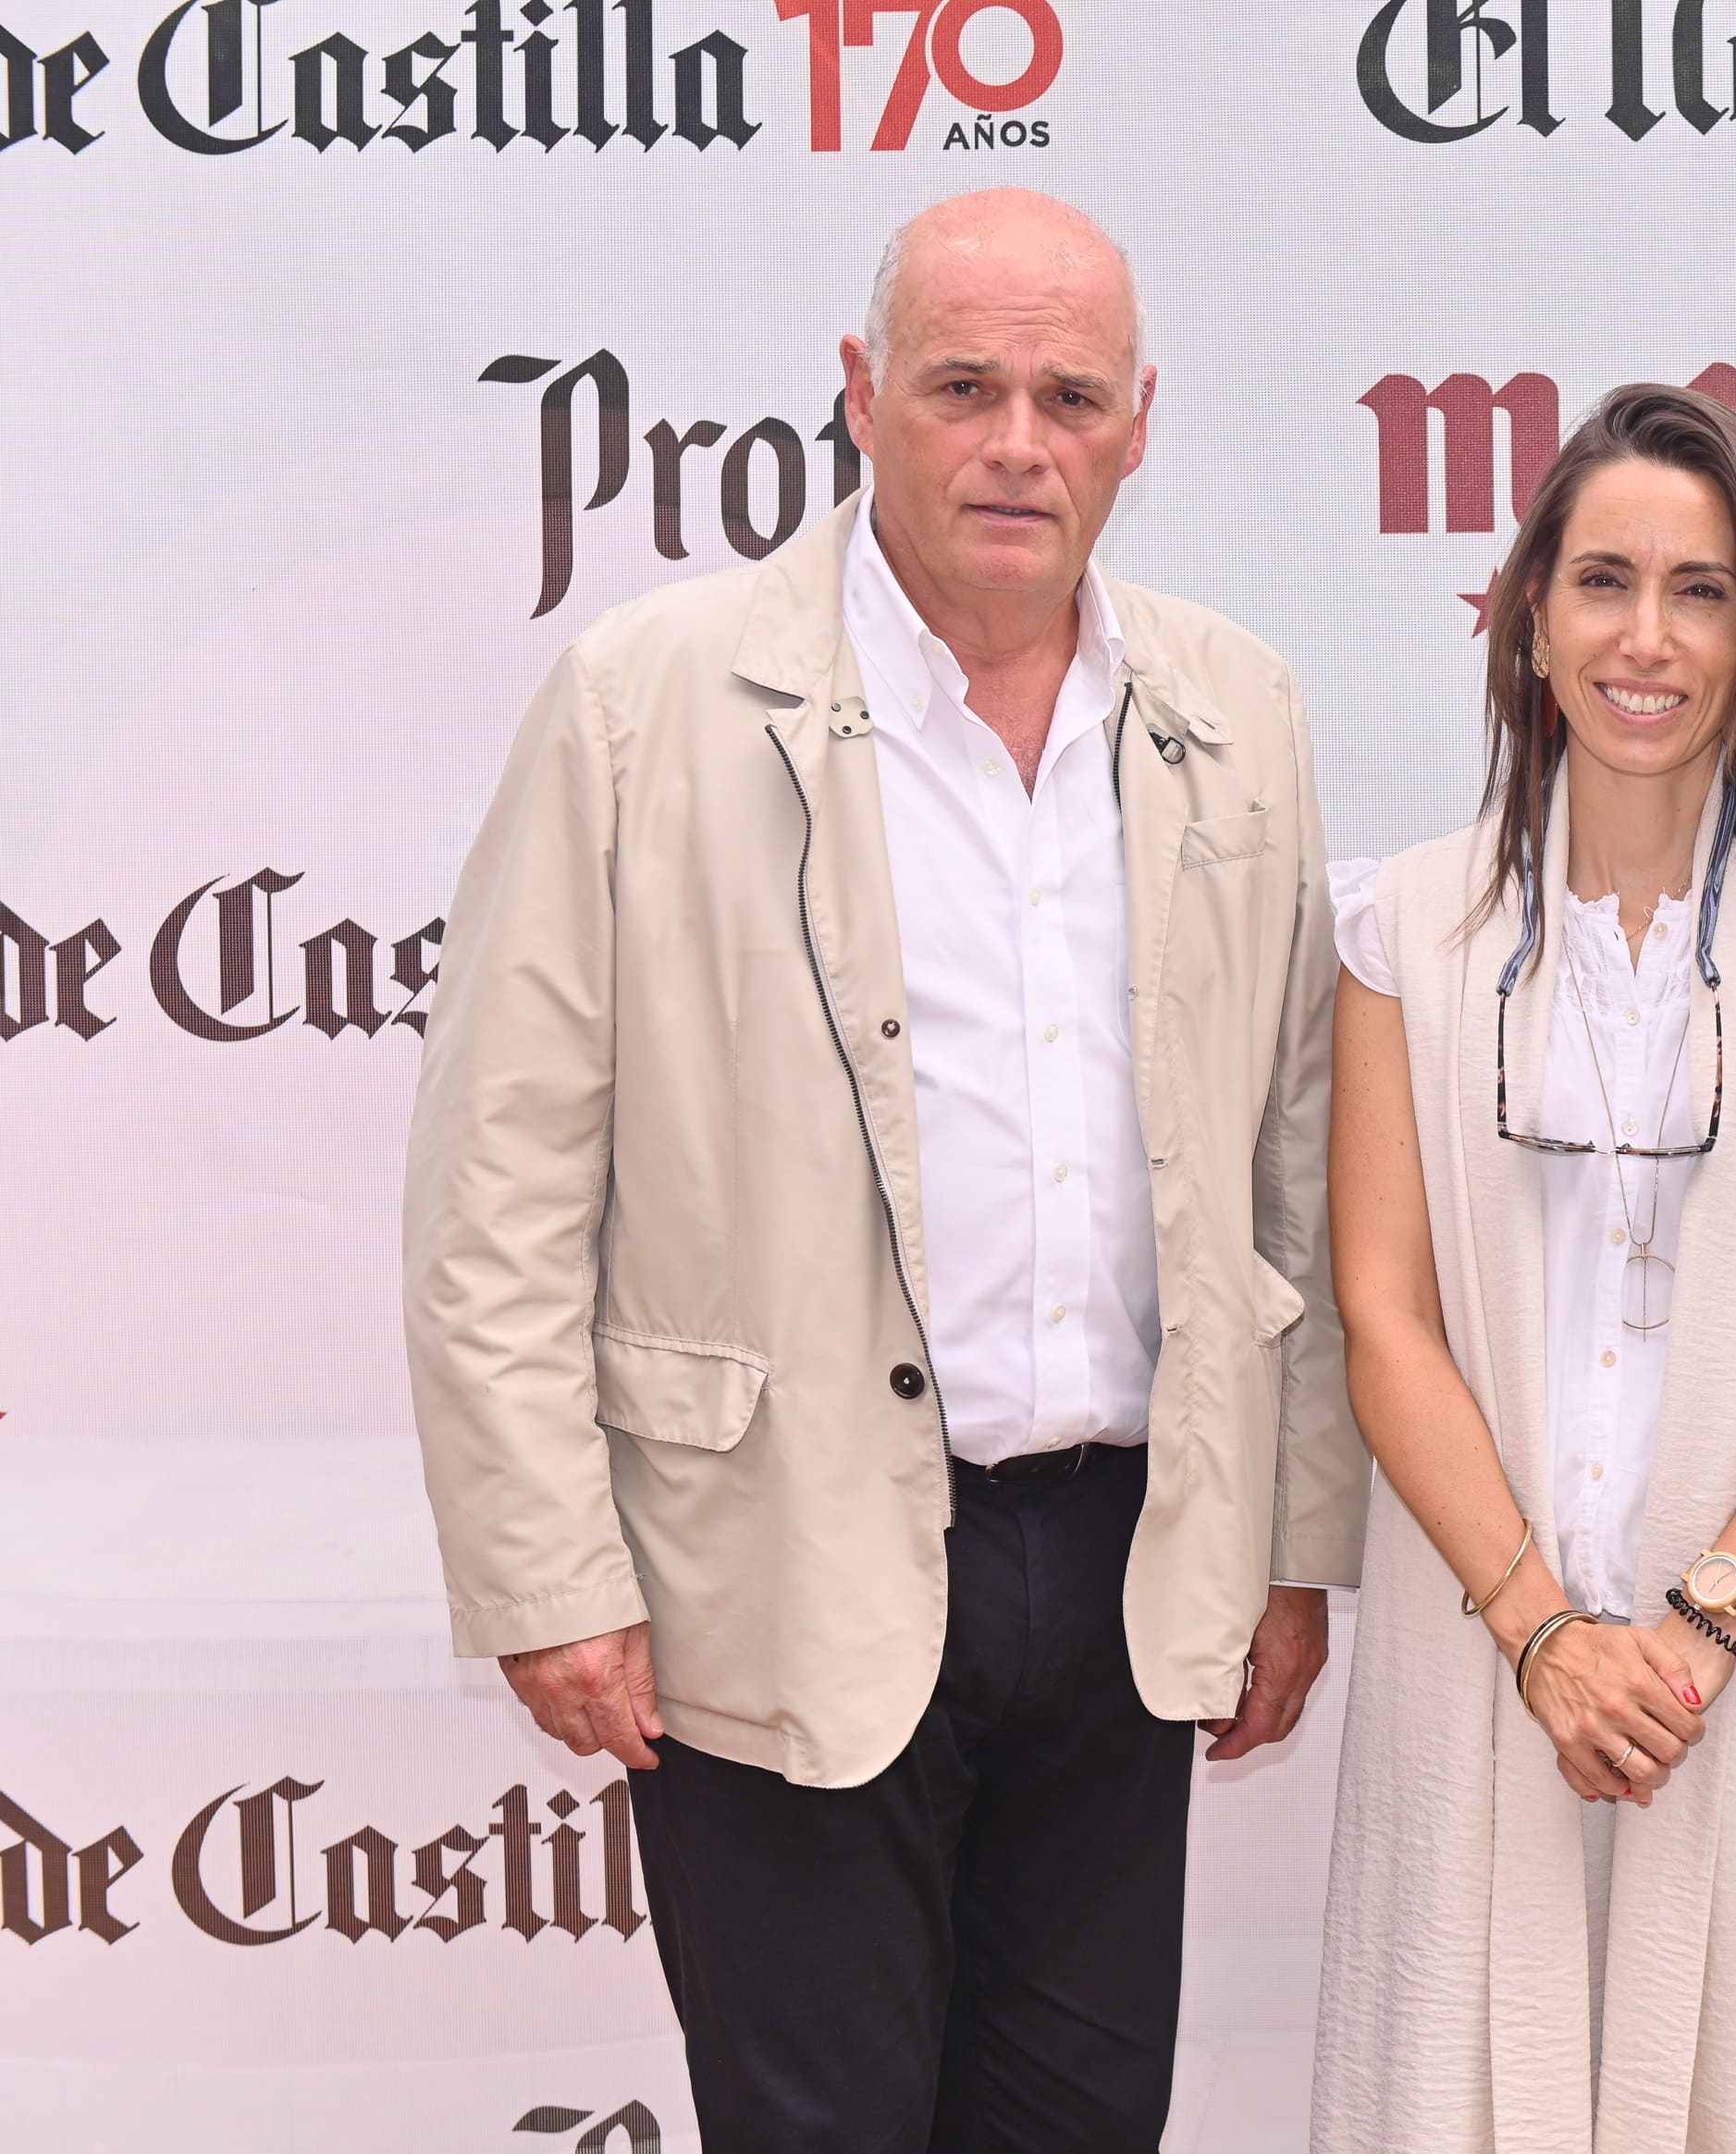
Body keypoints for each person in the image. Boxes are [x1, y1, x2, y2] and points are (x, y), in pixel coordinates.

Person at [400, 189, 1363, 2152]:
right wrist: (546, 1566)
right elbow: (497, 1180)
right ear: (860, 395)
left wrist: (1290, 1534)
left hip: (1122, 1566)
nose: (1018, 440)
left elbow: (1293, 1165)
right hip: (771, 1555)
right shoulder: (643, 700)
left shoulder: (1235, 709)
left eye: (1069, 394)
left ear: (1140, 422)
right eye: (963, 385)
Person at [1310, 384, 1736, 2153]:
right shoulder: (1406, 928)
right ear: (1530, 621)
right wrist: (1543, 1630)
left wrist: (1695, 1628)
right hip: (1487, 1656)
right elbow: (1385, 1310)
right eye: (1603, 580)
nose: (1647, 637)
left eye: (1702, 590)